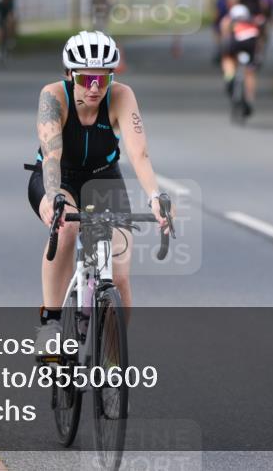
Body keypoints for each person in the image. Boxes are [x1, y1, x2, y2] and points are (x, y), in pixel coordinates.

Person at [26, 30, 170, 354]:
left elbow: (139, 154)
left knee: (118, 274)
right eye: (86, 77)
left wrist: (155, 197)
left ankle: (113, 359)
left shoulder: (121, 96)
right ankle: (50, 322)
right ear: (69, 74)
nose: (94, 87)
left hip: (103, 178)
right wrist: (53, 196)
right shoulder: (53, 96)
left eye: (103, 78)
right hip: (57, 177)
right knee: (67, 229)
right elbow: (51, 156)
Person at [219, 3, 263, 116]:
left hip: (234, 42)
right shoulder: (253, 20)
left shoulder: (229, 19)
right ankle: (250, 99)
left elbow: (225, 34)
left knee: (228, 59)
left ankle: (229, 77)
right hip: (250, 43)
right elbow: (259, 40)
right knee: (250, 73)